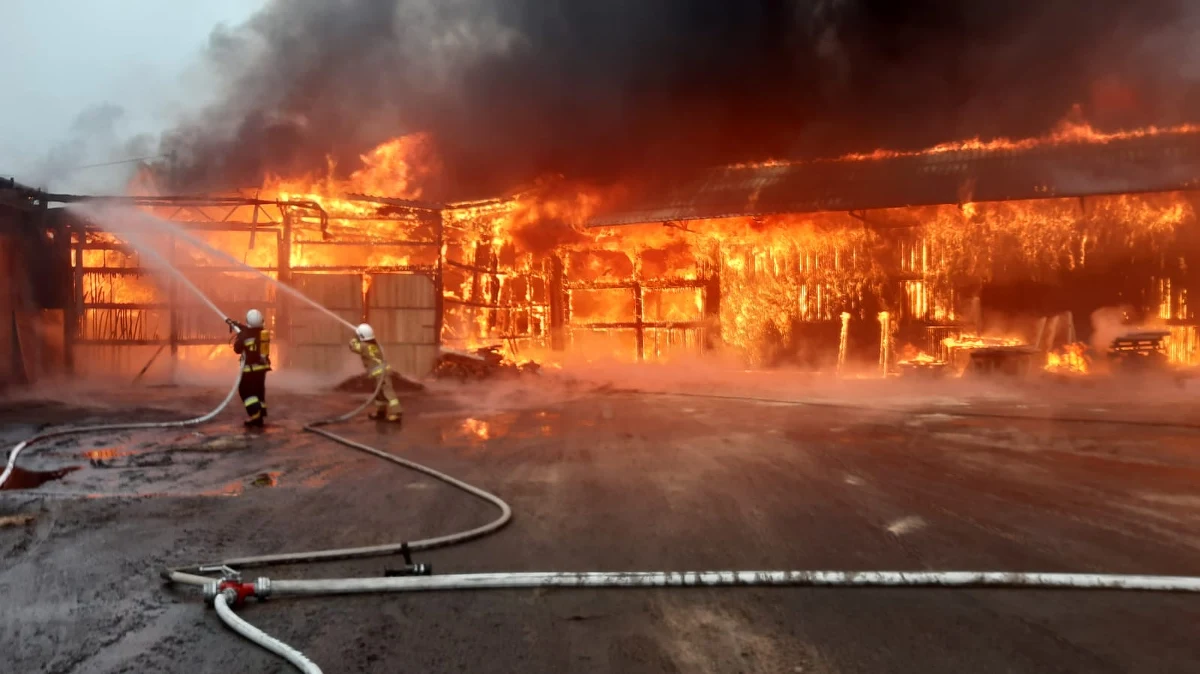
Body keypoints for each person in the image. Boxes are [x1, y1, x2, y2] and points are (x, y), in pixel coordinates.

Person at [349, 323, 402, 422]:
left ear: (361, 336)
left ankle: (397, 413)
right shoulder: (374, 344)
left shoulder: (364, 346)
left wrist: (355, 337)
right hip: (379, 373)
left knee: (388, 393)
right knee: (380, 394)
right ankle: (381, 413)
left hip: (381, 374)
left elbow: (352, 346)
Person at [228, 309, 272, 428]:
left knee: (245, 391)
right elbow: (250, 330)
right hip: (262, 369)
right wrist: (237, 325)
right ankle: (260, 415)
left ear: (248, 321)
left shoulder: (244, 336)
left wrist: (239, 335)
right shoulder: (262, 333)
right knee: (258, 391)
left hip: (250, 370)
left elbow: (237, 349)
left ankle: (255, 414)